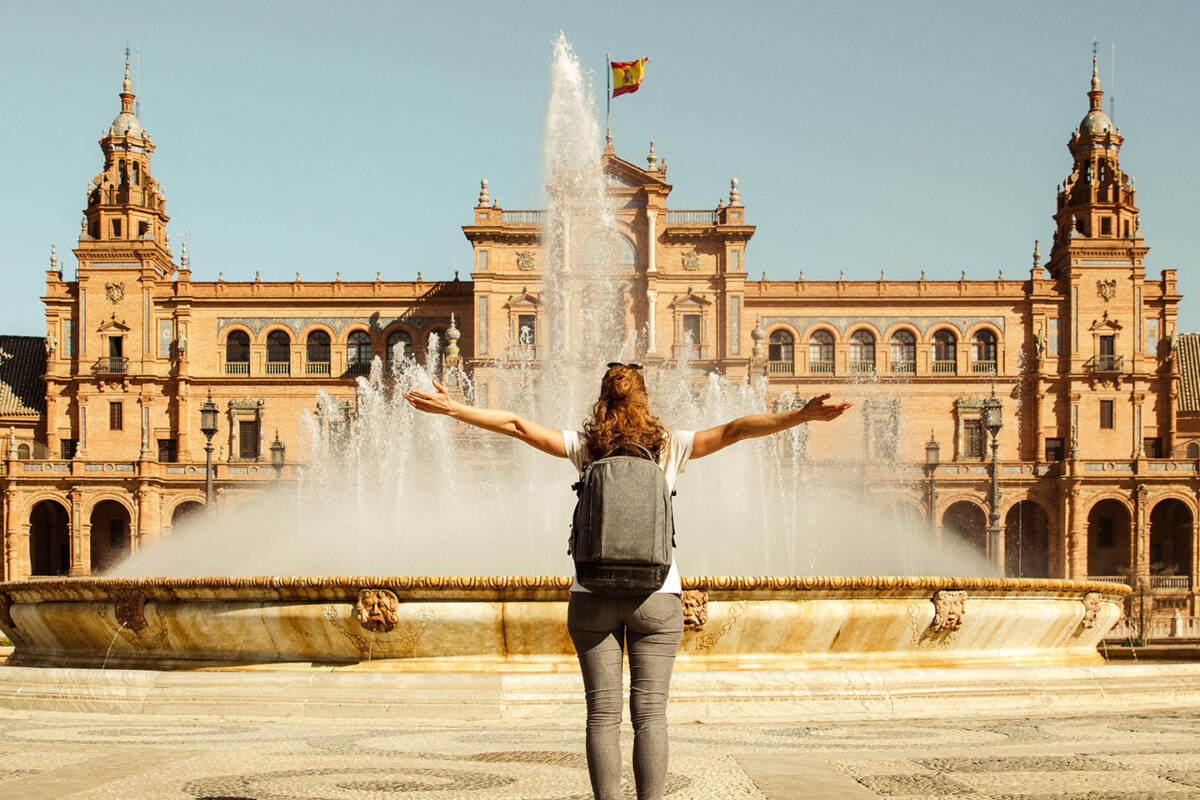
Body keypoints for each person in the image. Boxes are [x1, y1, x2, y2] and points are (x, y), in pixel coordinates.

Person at [404, 363, 851, 800]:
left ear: (602, 401)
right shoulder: (669, 446)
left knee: (601, 715)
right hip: (657, 596)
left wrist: (454, 409)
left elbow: (518, 425)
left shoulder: (586, 446)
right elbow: (736, 429)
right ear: (644, 399)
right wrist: (800, 415)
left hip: (591, 594)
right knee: (651, 715)